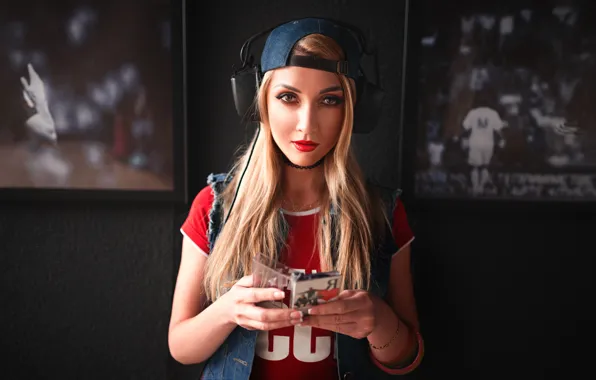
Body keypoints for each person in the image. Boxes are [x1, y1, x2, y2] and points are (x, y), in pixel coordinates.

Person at [168, 17, 424, 379]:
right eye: (288, 97)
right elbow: (180, 347)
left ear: (354, 110)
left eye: (329, 100)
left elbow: (407, 358)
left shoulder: (382, 212)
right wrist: (226, 311)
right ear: (259, 102)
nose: (307, 124)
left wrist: (379, 321)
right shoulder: (215, 206)